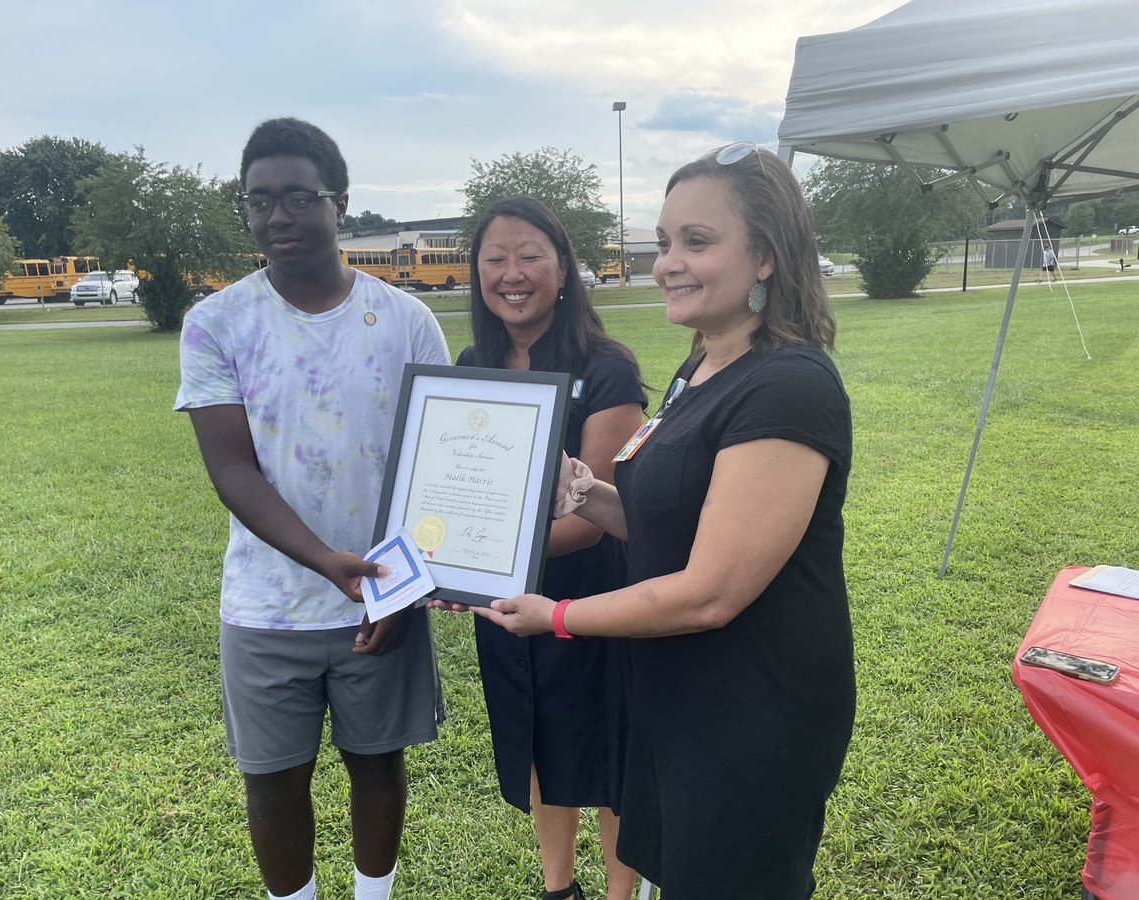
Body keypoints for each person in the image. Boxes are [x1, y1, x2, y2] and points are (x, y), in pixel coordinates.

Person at [474, 145, 856, 899]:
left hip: (751, 709)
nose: (667, 264)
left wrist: (557, 615)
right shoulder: (700, 366)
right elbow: (665, 522)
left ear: (767, 256)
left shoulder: (788, 386)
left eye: (697, 241)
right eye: (664, 241)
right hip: (673, 691)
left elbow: (711, 591)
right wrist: (587, 493)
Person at [175, 117, 450, 900]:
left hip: (381, 599)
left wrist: (403, 590)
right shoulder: (216, 323)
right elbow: (232, 467)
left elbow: (433, 469)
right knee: (272, 781)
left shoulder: (406, 320)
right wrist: (325, 561)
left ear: (340, 205)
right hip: (267, 606)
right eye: (258, 201)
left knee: (378, 766)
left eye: (299, 197)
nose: (277, 217)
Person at [436, 196, 647, 900]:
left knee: (610, 754)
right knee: (535, 739)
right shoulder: (474, 363)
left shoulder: (606, 368)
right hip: (507, 602)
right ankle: (559, 888)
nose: (512, 273)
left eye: (530, 256)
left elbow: (592, 520)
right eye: (494, 259)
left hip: (593, 599)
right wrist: (453, 566)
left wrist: (480, 565)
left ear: (563, 268)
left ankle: (618, 894)